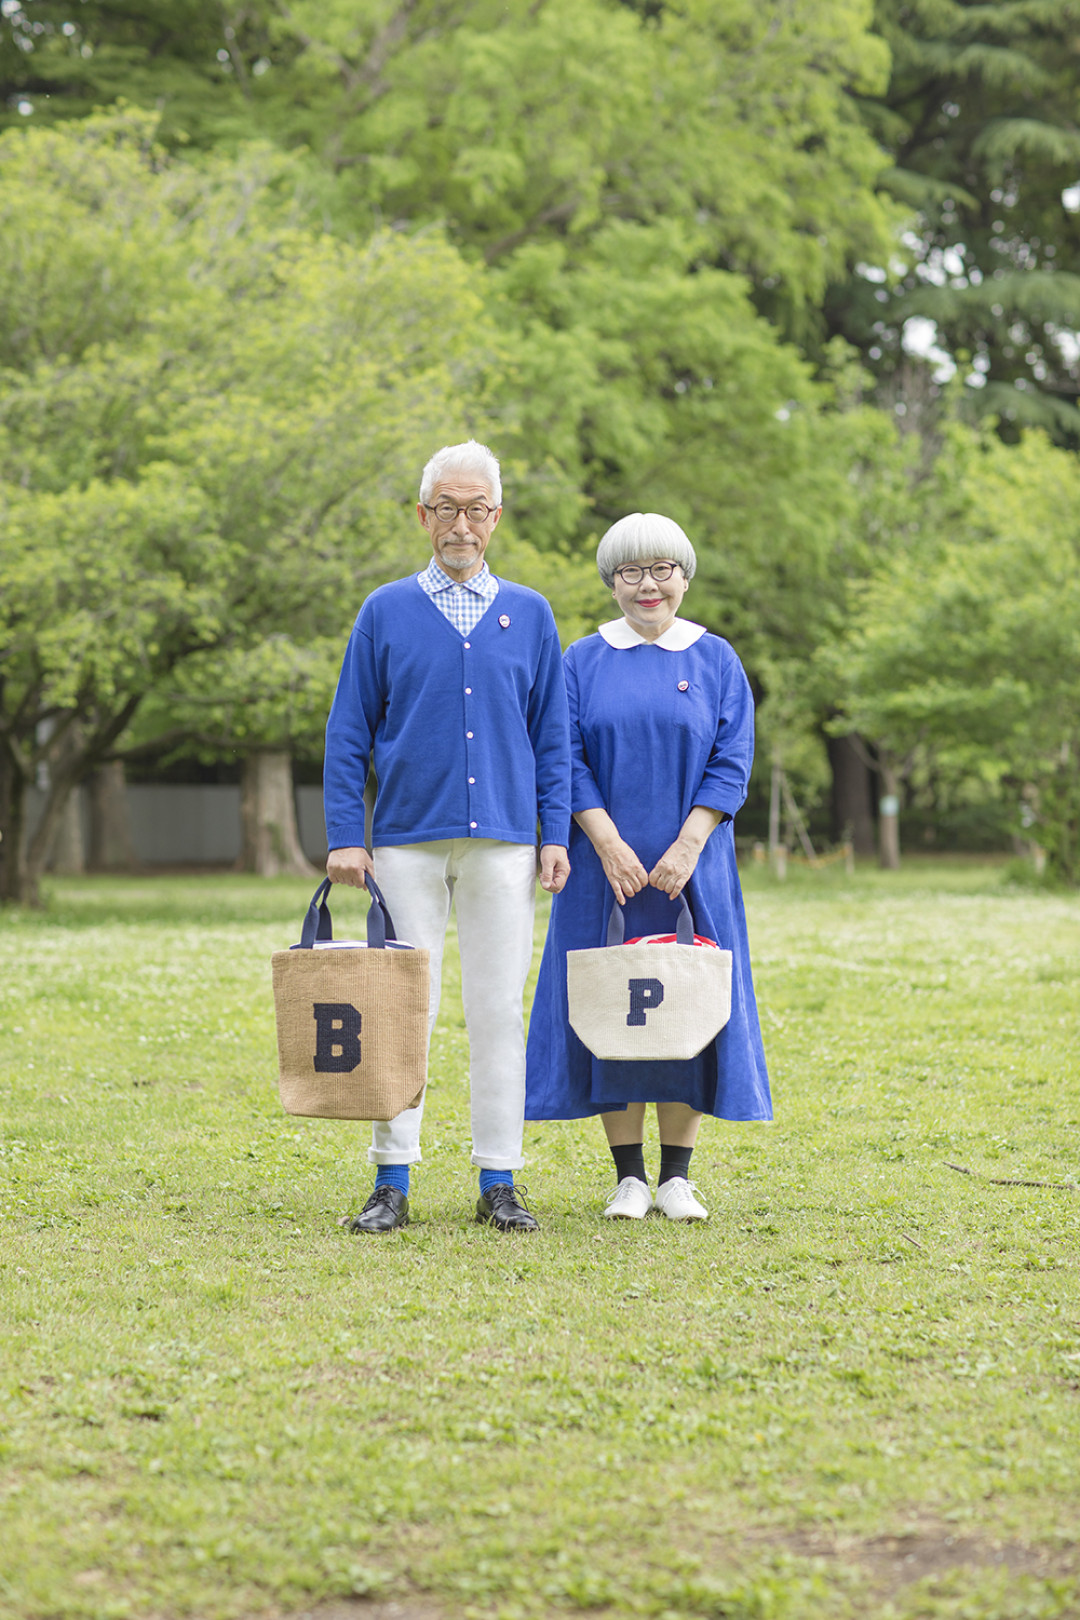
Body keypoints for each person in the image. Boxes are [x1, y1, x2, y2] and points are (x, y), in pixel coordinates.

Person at [323, 440, 571, 1234]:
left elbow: (553, 736)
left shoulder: (530, 614)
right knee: (403, 1011)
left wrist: (553, 832)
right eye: (445, 509)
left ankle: (499, 1177)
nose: (460, 524)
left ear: (495, 518)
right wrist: (344, 835)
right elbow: (347, 733)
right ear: (423, 514)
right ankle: (391, 1179)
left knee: (499, 1009)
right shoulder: (385, 610)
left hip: (504, 839)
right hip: (403, 841)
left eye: (476, 509)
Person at [525, 512, 771, 1221]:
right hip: (606, 867)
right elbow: (562, 759)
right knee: (612, 1004)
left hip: (695, 866)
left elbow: (732, 761)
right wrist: (605, 843)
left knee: (692, 999)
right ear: (611, 583)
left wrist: (690, 845)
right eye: (630, 572)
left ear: (685, 575)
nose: (648, 586)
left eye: (662, 569)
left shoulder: (717, 659)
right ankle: (628, 1176)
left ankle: (678, 1177)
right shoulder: (581, 659)